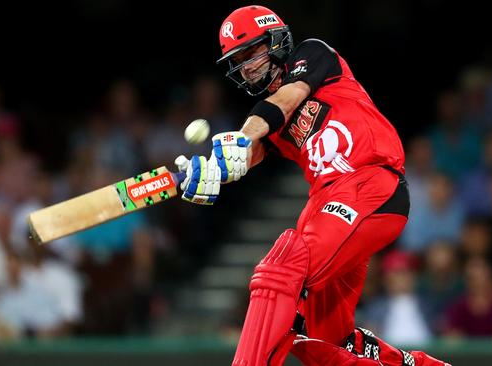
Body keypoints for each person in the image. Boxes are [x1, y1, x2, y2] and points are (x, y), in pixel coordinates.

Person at [175, 5, 449, 366]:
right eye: (237, 60)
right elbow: (251, 152)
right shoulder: (267, 114)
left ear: (274, 40)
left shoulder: (312, 54)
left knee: (282, 266)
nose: (247, 67)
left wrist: (241, 136)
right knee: (322, 340)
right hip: (326, 202)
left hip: (368, 182)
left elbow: (286, 100)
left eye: (250, 53)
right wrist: (212, 171)